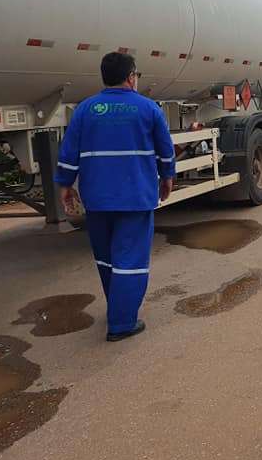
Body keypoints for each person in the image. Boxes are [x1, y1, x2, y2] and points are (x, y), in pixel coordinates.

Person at [54, 52, 176, 342]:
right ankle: (121, 323)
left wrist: (65, 184)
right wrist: (167, 177)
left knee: (107, 259)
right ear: (131, 77)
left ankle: (117, 308)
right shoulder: (148, 109)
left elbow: (68, 152)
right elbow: (165, 150)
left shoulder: (85, 110)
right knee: (130, 261)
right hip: (135, 197)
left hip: (98, 199)